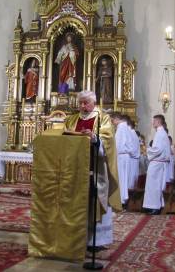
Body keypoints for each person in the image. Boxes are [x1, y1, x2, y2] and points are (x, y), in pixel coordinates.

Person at [64, 91, 121, 249]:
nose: (82, 106)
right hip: (77, 168)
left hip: (96, 167)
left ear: (93, 103)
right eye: (80, 102)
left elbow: (108, 139)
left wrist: (94, 138)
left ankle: (97, 241)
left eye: (86, 102)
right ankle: (77, 237)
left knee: (95, 201)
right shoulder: (73, 119)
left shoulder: (102, 117)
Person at [142, 114, 171, 215]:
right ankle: (152, 206)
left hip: (157, 164)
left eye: (154, 121)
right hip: (158, 163)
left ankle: (154, 207)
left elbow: (157, 149)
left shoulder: (160, 133)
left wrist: (147, 150)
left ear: (158, 122)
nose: (152, 123)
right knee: (153, 186)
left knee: (153, 186)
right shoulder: (161, 132)